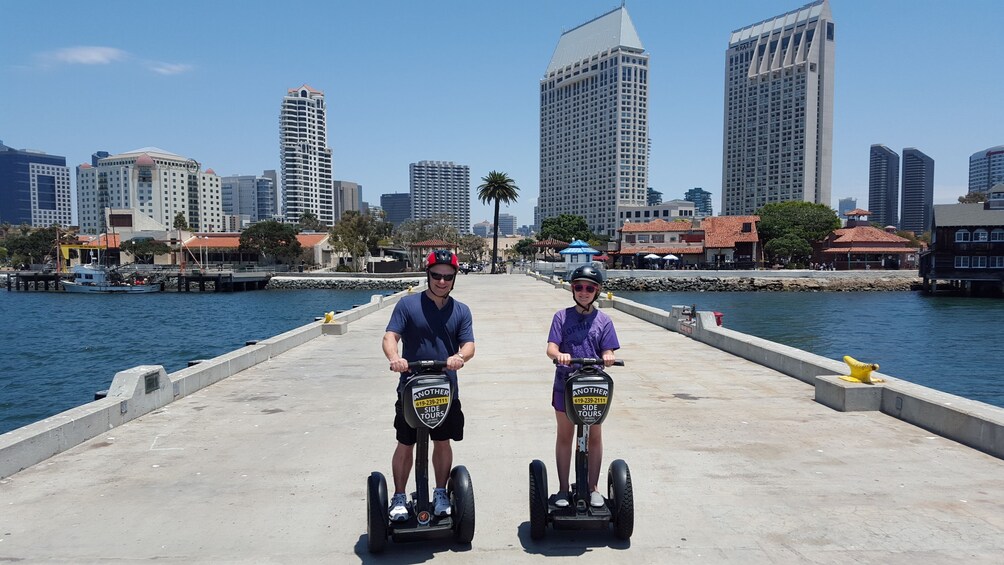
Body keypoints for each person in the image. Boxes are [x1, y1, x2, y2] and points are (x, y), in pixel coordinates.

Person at [382, 249, 475, 522]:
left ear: (454, 278)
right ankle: (399, 496)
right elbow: (390, 336)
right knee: (405, 443)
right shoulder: (408, 305)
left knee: (443, 441)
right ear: (428, 275)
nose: (442, 281)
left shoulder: (461, 310)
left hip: (445, 388)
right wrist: (395, 358)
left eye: (448, 276)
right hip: (412, 386)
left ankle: (440, 492)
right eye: (436, 275)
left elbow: (468, 344)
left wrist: (459, 357)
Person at [545, 264, 620, 509]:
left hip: (593, 386)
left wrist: (607, 356)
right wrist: (560, 354)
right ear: (573, 289)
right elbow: (551, 348)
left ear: (596, 291)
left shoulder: (604, 320)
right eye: (579, 287)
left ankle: (593, 488)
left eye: (589, 288)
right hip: (565, 384)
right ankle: (564, 488)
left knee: (594, 437)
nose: (584, 292)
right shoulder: (561, 317)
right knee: (565, 436)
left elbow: (607, 349)